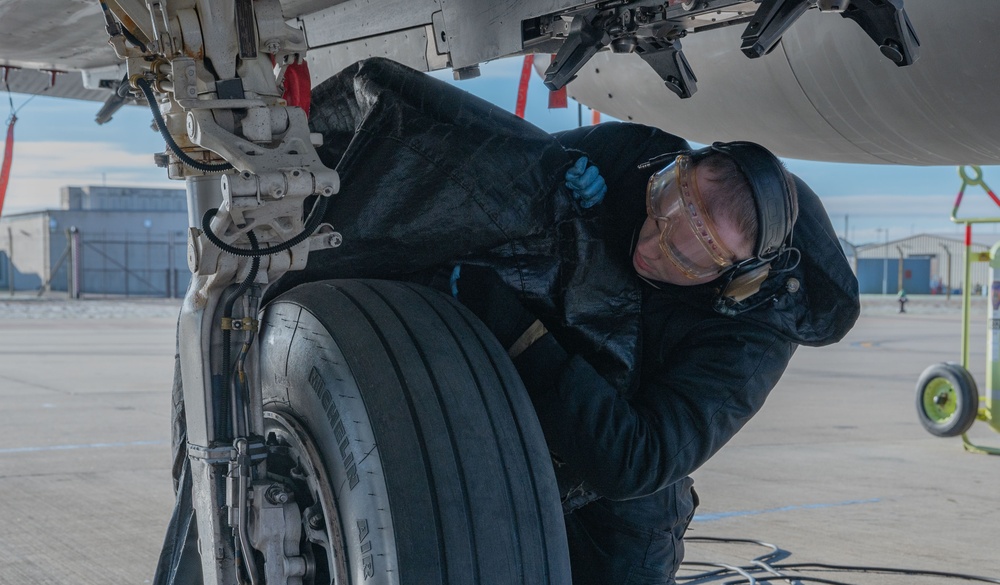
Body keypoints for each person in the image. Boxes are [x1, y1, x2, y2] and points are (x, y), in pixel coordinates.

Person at [451, 122, 860, 585]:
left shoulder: (751, 341)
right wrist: (557, 182)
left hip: (619, 523)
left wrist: (512, 328)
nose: (649, 245)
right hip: (515, 437)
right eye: (664, 207)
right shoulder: (636, 161)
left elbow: (635, 461)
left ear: (736, 279)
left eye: (688, 257)